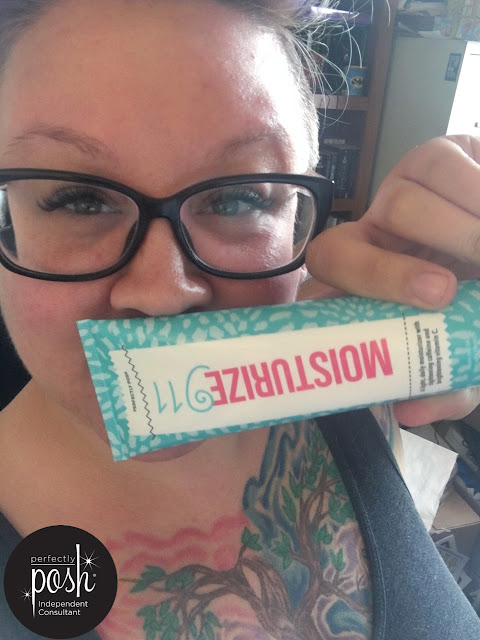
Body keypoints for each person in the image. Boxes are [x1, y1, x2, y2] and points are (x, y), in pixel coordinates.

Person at [0, 1, 479, 638]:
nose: (164, 294)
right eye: (78, 200)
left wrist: (451, 316)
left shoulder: (358, 386)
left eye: (237, 197)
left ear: (299, 217)